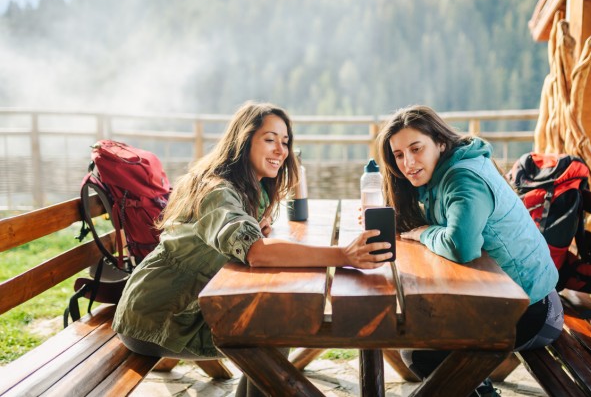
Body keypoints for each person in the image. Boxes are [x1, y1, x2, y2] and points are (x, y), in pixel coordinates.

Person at [112, 101, 392, 397]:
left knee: (271, 321)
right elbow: (257, 252)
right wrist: (343, 256)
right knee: (275, 325)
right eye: (269, 140)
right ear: (243, 140)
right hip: (160, 318)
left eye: (285, 142)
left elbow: (250, 233)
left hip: (185, 305)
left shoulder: (247, 185)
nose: (281, 150)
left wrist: (260, 224)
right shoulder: (217, 191)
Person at [376, 105, 563, 395]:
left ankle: (477, 388)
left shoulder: (463, 178)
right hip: (505, 299)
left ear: (440, 142)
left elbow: (460, 247)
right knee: (416, 334)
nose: (408, 163)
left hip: (533, 311)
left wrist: (425, 233)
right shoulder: (445, 171)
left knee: (420, 351)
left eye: (416, 149)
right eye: (399, 155)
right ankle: (477, 387)